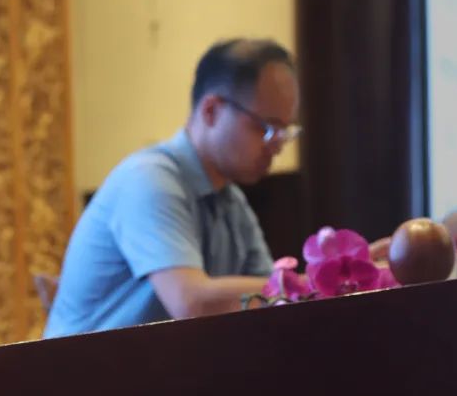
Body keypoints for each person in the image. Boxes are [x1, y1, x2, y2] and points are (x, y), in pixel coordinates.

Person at [44, 38, 300, 340]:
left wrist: (312, 284)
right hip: (83, 369)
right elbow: (190, 302)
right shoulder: (149, 179)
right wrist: (307, 283)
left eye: (285, 131)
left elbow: (273, 301)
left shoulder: (230, 200)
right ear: (211, 111)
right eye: (266, 128)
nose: (277, 145)